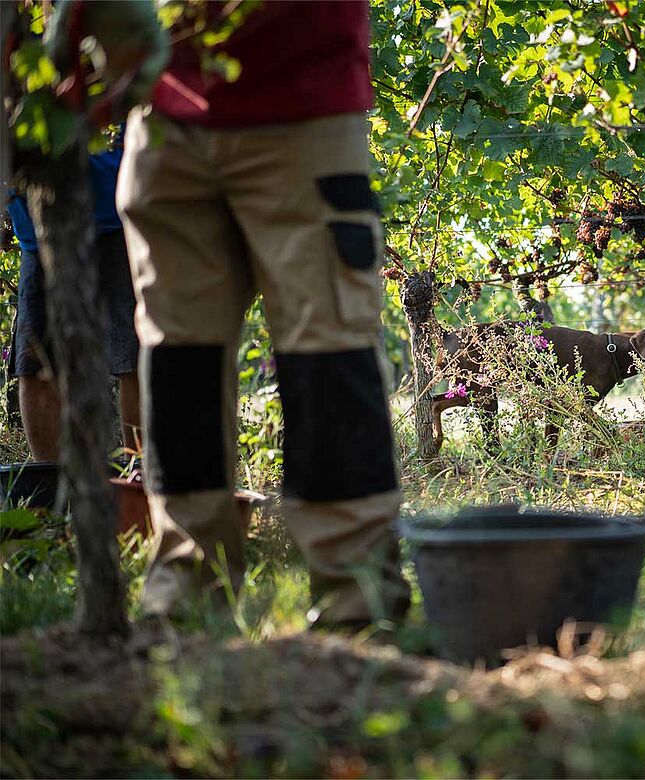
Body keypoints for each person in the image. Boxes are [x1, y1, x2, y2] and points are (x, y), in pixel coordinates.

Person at [92, 1, 409, 629]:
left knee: (330, 353)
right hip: (164, 117)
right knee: (178, 360)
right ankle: (186, 587)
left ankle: (356, 597)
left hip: (305, 106)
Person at [5, 143, 141, 463]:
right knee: (35, 362)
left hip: (115, 214)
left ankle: (141, 487)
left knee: (133, 355)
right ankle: (52, 494)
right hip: (36, 227)